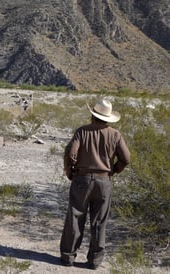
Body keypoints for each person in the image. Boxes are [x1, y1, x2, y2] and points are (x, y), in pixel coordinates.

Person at [60, 99, 130, 270]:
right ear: (108, 118)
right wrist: (113, 170)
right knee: (99, 222)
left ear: (92, 115)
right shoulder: (115, 134)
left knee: (75, 218)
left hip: (82, 180)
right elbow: (126, 158)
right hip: (103, 181)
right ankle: (94, 262)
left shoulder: (82, 131)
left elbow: (70, 154)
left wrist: (71, 172)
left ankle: (68, 257)